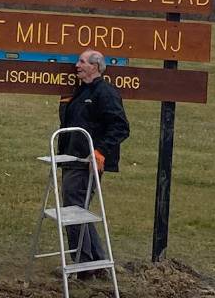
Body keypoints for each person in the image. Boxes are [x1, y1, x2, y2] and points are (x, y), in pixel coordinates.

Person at [58, 49, 129, 280]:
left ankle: (83, 267)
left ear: (95, 67)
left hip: (87, 163)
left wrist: (100, 152)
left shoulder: (105, 93)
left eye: (81, 61)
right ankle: (98, 264)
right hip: (72, 159)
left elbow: (120, 126)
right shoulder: (81, 92)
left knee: (73, 212)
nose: (76, 65)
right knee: (80, 212)